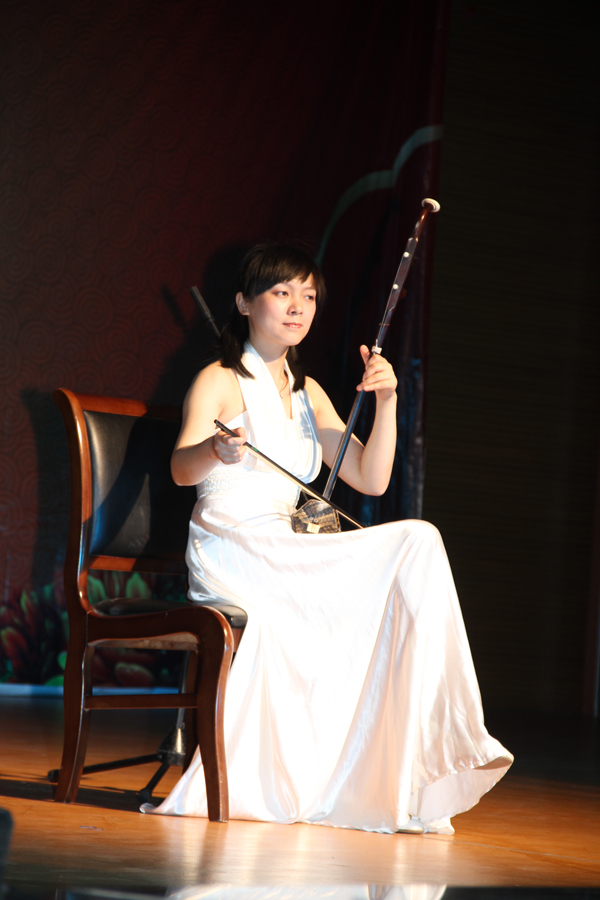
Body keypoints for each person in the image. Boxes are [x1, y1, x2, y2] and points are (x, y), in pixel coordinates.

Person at [142, 242, 513, 834]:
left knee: (419, 542)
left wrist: (388, 401)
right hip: (233, 545)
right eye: (282, 292)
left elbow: (371, 477)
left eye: (309, 296)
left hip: (285, 546)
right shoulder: (219, 379)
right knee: (411, 546)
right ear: (244, 303)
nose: (298, 306)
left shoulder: (307, 392)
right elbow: (181, 470)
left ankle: (406, 770)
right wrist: (214, 449)